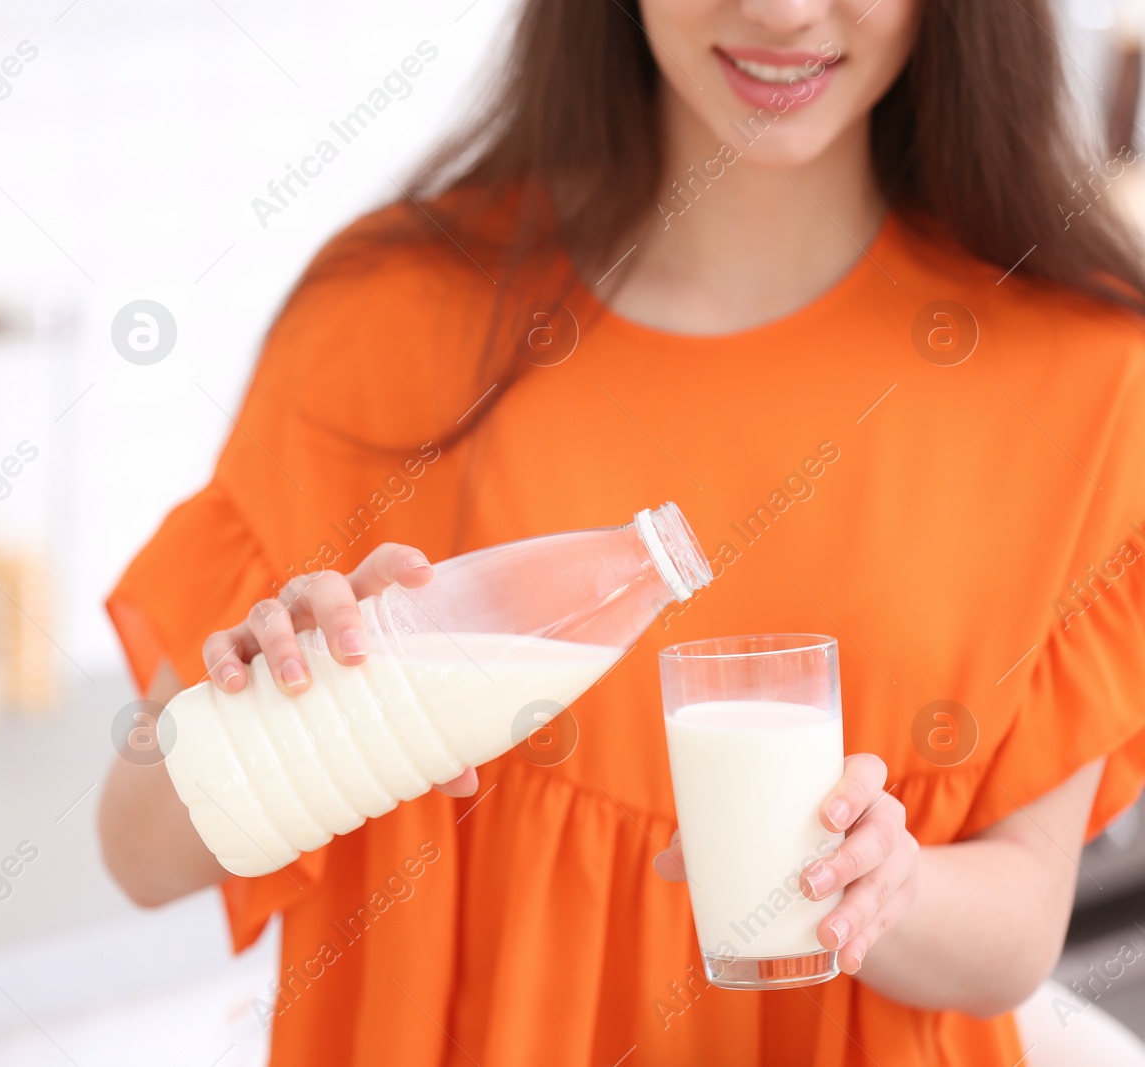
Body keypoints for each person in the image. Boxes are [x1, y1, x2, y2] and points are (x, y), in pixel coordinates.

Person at [98, 0, 1145, 1062]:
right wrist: (272, 708)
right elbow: (138, 849)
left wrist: (884, 885)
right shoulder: (385, 320)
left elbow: (1015, 931)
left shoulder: (1082, 374)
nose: (781, 12)